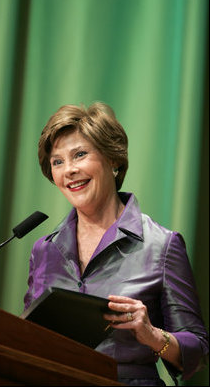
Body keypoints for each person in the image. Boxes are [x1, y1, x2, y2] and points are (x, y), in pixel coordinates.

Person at [24, 102, 209, 386]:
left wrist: (152, 335)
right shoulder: (44, 250)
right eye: (57, 161)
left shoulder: (162, 245)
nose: (69, 170)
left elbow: (196, 348)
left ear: (113, 160)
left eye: (80, 154)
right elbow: (26, 338)